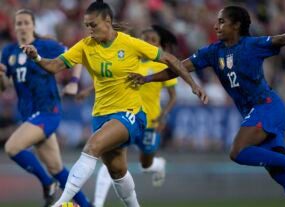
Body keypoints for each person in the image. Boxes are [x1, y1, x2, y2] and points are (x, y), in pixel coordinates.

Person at [20, 1, 206, 207]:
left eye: (93, 25)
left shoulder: (130, 43)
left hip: (131, 114)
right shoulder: (85, 46)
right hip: (101, 115)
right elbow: (55, 66)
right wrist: (36, 57)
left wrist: (192, 84)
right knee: (117, 171)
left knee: (92, 146)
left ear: (107, 21)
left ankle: (62, 203)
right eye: (86, 25)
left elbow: (170, 59)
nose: (89, 30)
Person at [128, 5, 285, 206]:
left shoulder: (252, 45)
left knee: (238, 152)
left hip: (267, 107)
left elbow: (280, 38)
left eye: (222, 21)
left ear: (236, 25)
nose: (215, 26)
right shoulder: (213, 52)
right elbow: (178, 68)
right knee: (280, 174)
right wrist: (147, 78)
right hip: (256, 111)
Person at [0, 9, 92, 207]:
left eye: (26, 22)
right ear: (14, 27)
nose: (22, 26)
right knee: (56, 168)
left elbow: (76, 57)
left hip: (48, 111)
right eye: (19, 23)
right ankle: (86, 205)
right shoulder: (8, 52)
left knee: (12, 147)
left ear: (34, 25)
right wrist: (1, 77)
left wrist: (74, 81)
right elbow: (5, 86)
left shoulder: (45, 46)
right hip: (28, 115)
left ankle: (48, 184)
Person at [78, 25, 178, 206]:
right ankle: (98, 203)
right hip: (125, 116)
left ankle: (158, 164)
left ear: (158, 44)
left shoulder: (159, 64)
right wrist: (87, 90)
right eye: (144, 38)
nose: (147, 42)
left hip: (150, 123)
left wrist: (163, 116)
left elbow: (173, 96)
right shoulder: (130, 58)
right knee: (111, 158)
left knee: (145, 165)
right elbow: (109, 79)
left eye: (152, 40)